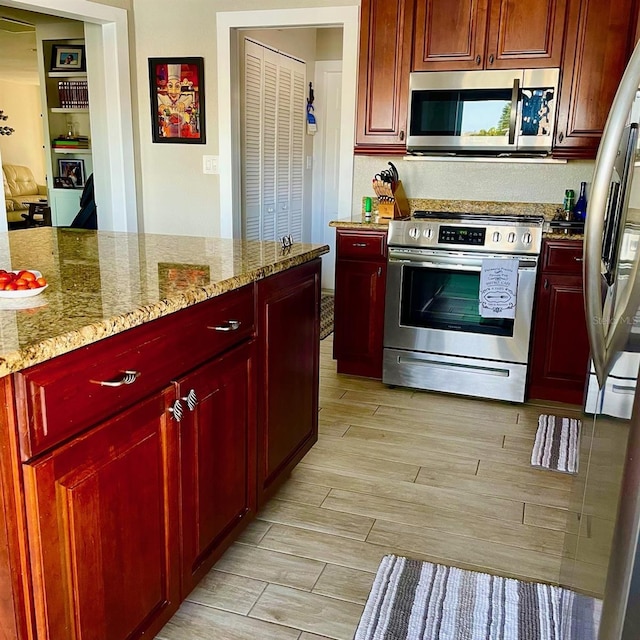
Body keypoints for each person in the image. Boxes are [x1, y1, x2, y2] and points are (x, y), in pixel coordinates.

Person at [157, 64, 195, 137]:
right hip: (167, 131)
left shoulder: (183, 98)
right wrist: (161, 106)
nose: (173, 91)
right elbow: (157, 97)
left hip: (181, 131)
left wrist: (184, 104)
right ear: (167, 87)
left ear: (180, 88)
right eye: (170, 86)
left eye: (177, 86)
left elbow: (190, 97)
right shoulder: (163, 98)